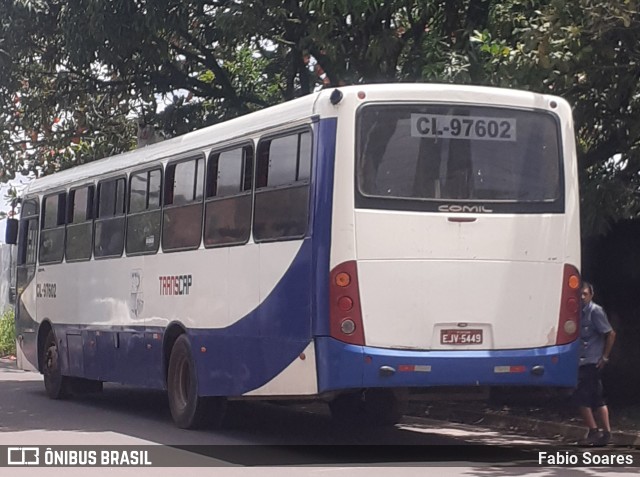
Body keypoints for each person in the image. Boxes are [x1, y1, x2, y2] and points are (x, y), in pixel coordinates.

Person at [575, 282, 616, 446]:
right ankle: (606, 433)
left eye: (585, 294)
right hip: (580, 361)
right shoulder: (576, 312)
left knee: (581, 398)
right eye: (580, 294)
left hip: (592, 361)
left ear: (591, 295)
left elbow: (611, 333)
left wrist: (604, 357)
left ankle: (594, 432)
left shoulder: (595, 311)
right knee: (597, 398)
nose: (582, 297)